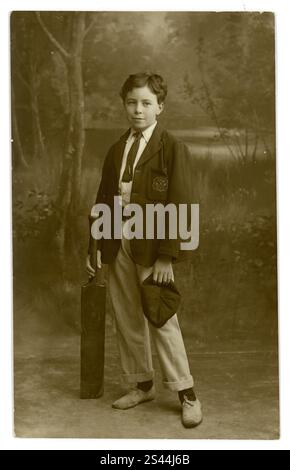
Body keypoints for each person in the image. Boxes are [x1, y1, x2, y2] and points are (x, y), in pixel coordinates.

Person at [86, 72, 202, 428]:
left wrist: (168, 255)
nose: (138, 110)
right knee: (126, 316)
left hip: (153, 246)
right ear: (125, 105)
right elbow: (102, 200)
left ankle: (187, 393)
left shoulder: (171, 149)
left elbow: (184, 203)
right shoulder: (117, 149)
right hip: (117, 240)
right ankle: (143, 383)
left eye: (146, 103)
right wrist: (95, 247)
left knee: (160, 315)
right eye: (132, 103)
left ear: (160, 107)